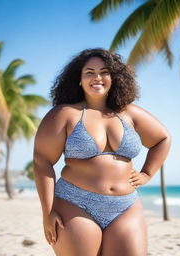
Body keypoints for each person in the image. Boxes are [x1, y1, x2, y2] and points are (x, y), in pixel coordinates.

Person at [33, 48, 171, 256]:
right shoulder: (65, 114)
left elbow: (162, 139)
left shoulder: (129, 113)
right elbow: (42, 160)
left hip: (126, 207)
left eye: (104, 72)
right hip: (74, 204)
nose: (97, 77)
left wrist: (147, 174)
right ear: (79, 79)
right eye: (89, 72)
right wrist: (48, 212)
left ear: (113, 78)